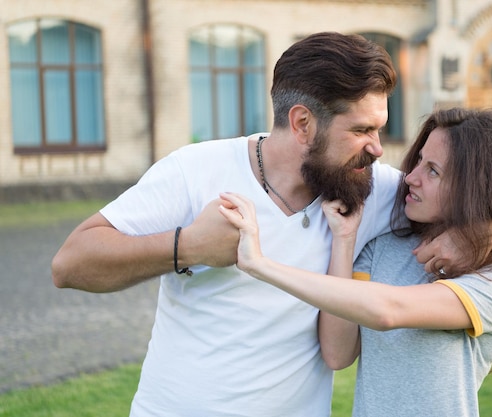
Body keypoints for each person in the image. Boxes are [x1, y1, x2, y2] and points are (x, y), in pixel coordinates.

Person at [51, 32, 464, 417]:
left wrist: (473, 236)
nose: (376, 147)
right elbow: (70, 264)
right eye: (361, 129)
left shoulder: (370, 187)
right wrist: (189, 247)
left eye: (379, 128)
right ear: (303, 123)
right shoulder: (195, 170)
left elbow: (476, 202)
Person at [219, 107, 492, 417]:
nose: (411, 177)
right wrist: (344, 241)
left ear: (476, 188)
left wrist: (260, 264)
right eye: (418, 161)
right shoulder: (386, 246)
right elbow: (338, 353)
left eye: (432, 171)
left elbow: (388, 311)